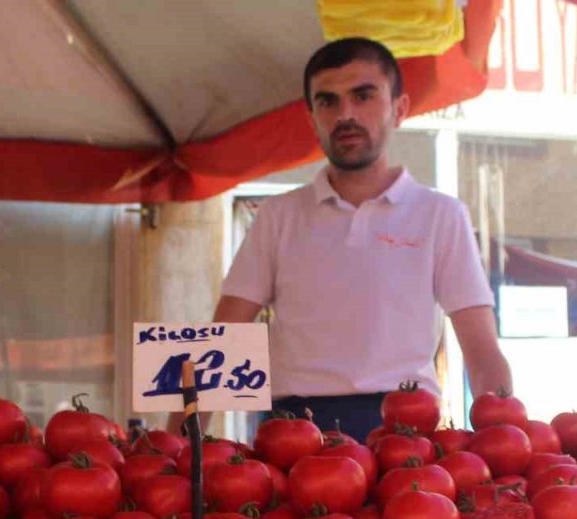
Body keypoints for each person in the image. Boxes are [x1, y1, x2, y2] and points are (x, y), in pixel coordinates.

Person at [171, 37, 511, 440]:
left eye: (363, 95)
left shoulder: (441, 215)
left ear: (399, 108)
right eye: (328, 101)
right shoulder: (277, 216)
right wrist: (171, 452)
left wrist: (509, 444)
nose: (345, 114)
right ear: (312, 116)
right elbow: (222, 339)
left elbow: (481, 349)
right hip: (291, 434)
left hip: (407, 430)